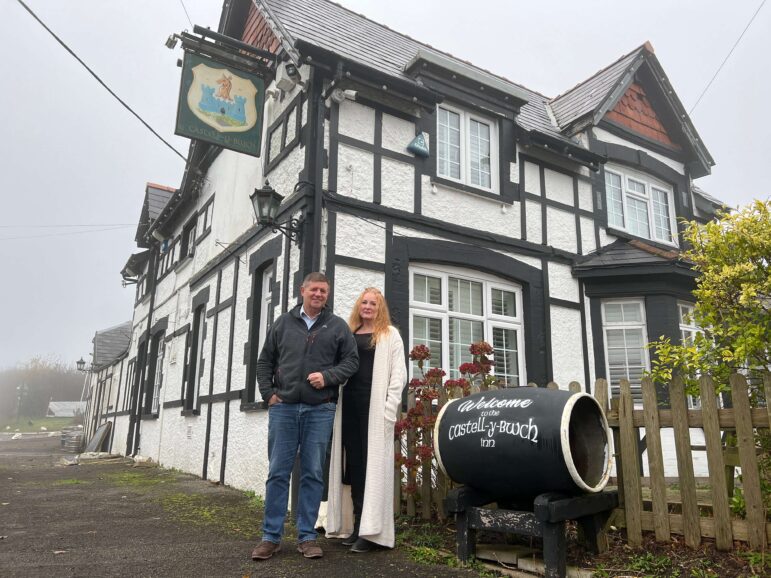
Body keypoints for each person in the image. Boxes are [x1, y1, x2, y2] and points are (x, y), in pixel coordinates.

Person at [251, 272, 359, 561]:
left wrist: (328, 377)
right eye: (314, 289)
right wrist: (268, 394)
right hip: (283, 408)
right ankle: (270, 537)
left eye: (323, 291)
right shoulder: (283, 324)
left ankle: (307, 537)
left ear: (327, 294)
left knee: (312, 473)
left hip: (320, 409)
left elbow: (351, 361)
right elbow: (264, 361)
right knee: (278, 473)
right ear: (303, 290)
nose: (318, 295)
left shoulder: (337, 327)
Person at [326, 287, 407, 552]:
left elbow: (399, 376)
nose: (368, 306)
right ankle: (358, 525)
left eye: (373, 303)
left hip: (374, 410)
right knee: (356, 466)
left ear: (380, 307)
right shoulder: (349, 333)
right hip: (349, 405)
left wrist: (389, 409)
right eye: (364, 302)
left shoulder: (390, 335)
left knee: (374, 467)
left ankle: (372, 532)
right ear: (359, 306)